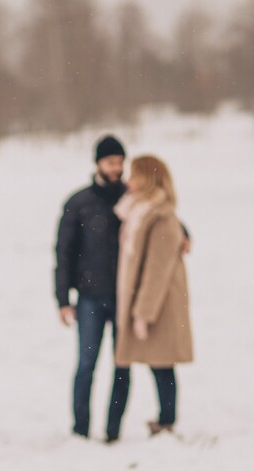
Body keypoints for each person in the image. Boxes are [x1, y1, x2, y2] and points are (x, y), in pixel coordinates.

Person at [55, 135, 131, 442]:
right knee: (86, 364)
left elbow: (164, 217)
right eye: (111, 162)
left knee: (122, 365)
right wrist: (62, 298)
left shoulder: (131, 198)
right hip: (89, 298)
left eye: (120, 162)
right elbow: (63, 253)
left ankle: (113, 430)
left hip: (125, 298)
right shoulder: (79, 203)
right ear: (98, 163)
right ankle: (80, 429)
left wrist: (184, 233)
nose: (117, 168)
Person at [113, 156, 193, 435]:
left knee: (162, 363)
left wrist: (143, 313)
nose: (128, 181)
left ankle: (167, 421)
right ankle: (165, 419)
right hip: (149, 299)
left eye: (134, 176)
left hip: (161, 302)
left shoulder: (161, 217)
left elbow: (156, 270)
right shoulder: (140, 210)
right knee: (158, 362)